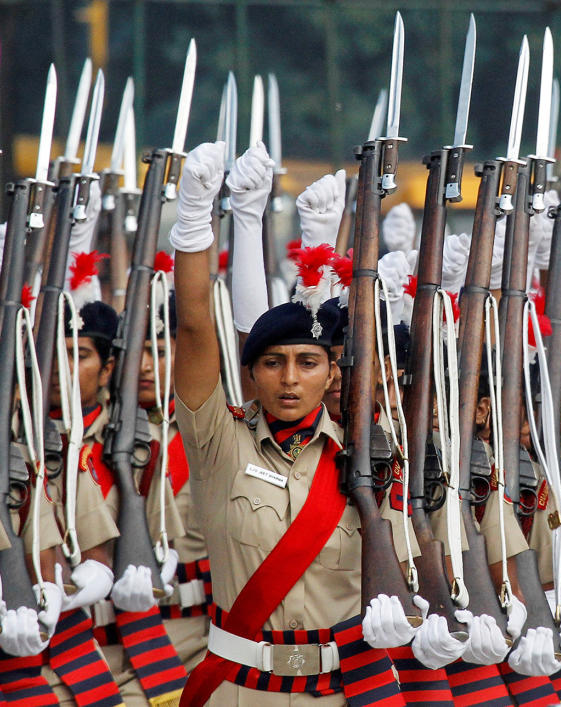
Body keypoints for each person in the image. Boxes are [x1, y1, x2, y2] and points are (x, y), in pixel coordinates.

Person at [172, 141, 418, 704]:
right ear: (250, 373)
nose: (289, 379)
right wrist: (193, 222)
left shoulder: (369, 457)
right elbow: (193, 330)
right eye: (272, 363)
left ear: (332, 373)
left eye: (307, 363)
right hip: (239, 690)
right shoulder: (219, 441)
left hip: (338, 692)